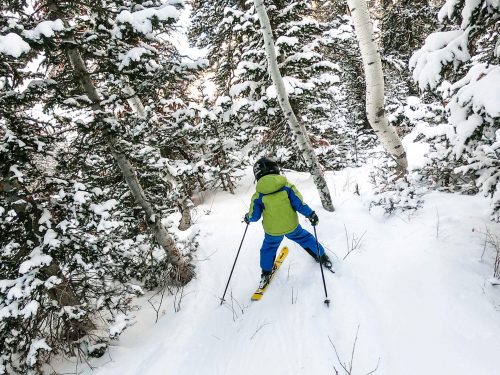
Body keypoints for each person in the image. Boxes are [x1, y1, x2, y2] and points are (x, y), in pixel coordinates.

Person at [244, 157, 332, 287]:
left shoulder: (258, 195)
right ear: (275, 169)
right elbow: (299, 204)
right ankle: (322, 257)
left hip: (272, 231)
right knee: (305, 238)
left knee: (268, 248)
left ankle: (266, 272)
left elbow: (255, 216)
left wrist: (248, 217)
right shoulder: (287, 187)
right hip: (292, 226)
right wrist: (311, 214)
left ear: (257, 174)